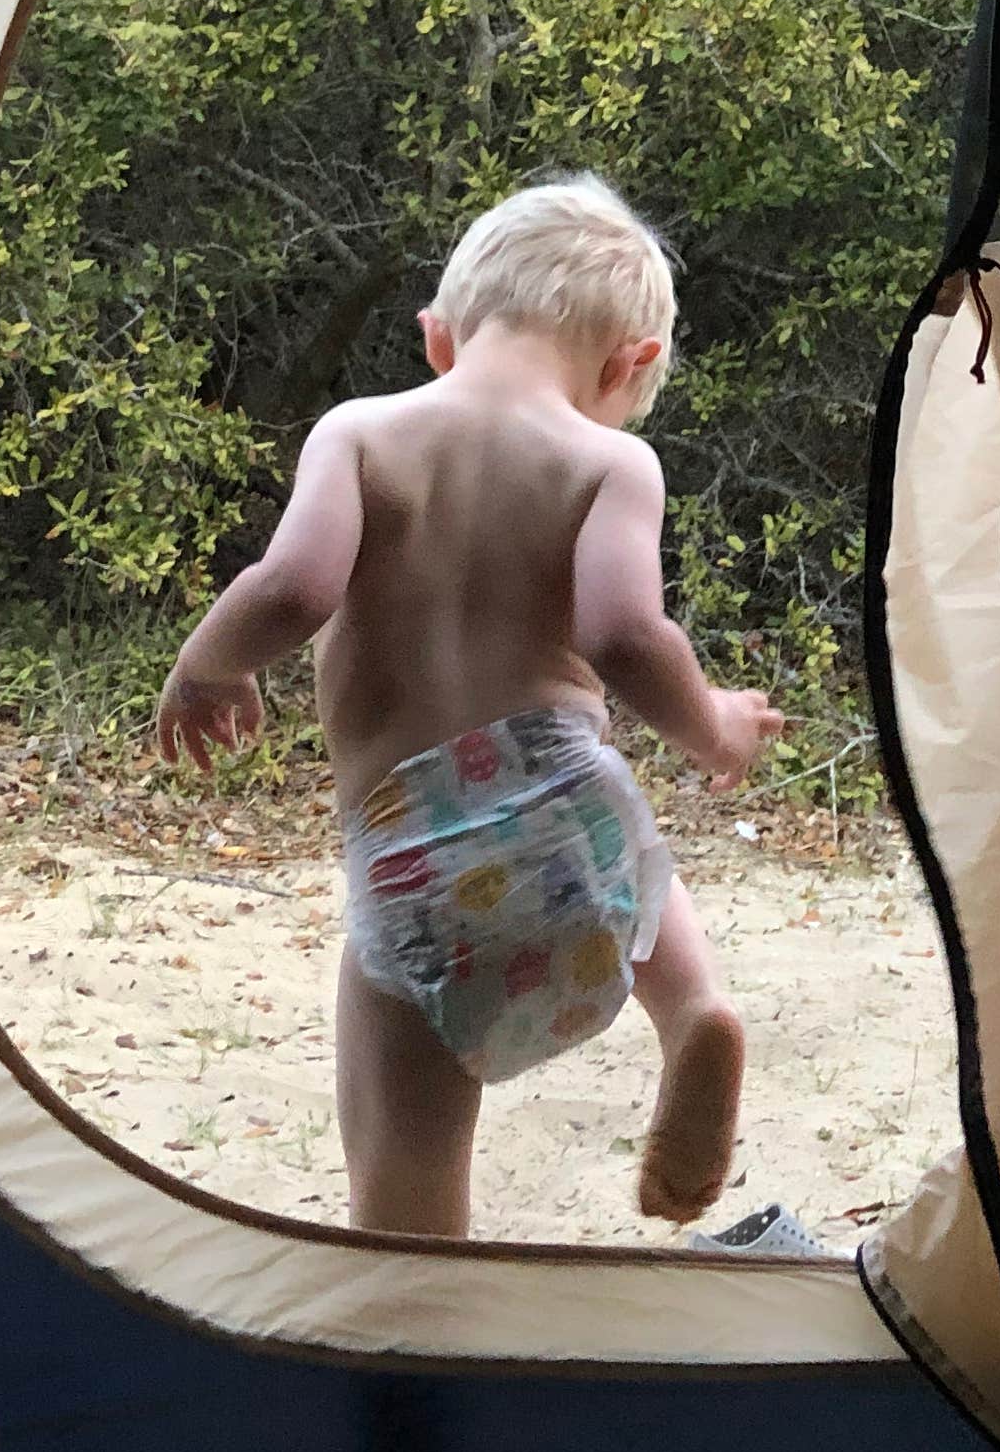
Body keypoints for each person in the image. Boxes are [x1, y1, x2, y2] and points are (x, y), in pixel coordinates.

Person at [152, 175, 779, 1239]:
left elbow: (296, 588)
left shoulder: (360, 432)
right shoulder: (610, 460)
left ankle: (416, 1267)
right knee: (619, 836)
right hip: (566, 804)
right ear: (631, 364)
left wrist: (210, 664)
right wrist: (712, 723)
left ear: (439, 338)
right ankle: (692, 1012)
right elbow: (625, 636)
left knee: (404, 1146)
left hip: (416, 854)